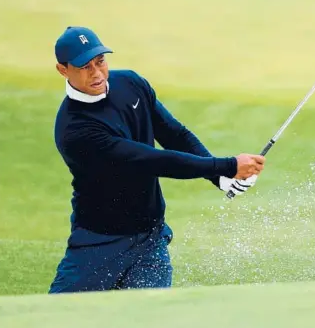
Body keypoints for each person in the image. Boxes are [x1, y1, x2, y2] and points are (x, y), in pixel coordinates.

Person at [48, 26, 265, 293]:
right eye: (85, 67)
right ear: (63, 70)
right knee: (59, 315)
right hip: (99, 243)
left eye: (100, 61)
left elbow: (174, 134)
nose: (97, 73)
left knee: (152, 316)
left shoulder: (131, 84)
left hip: (150, 238)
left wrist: (217, 177)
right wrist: (228, 165)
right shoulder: (75, 129)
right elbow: (152, 160)